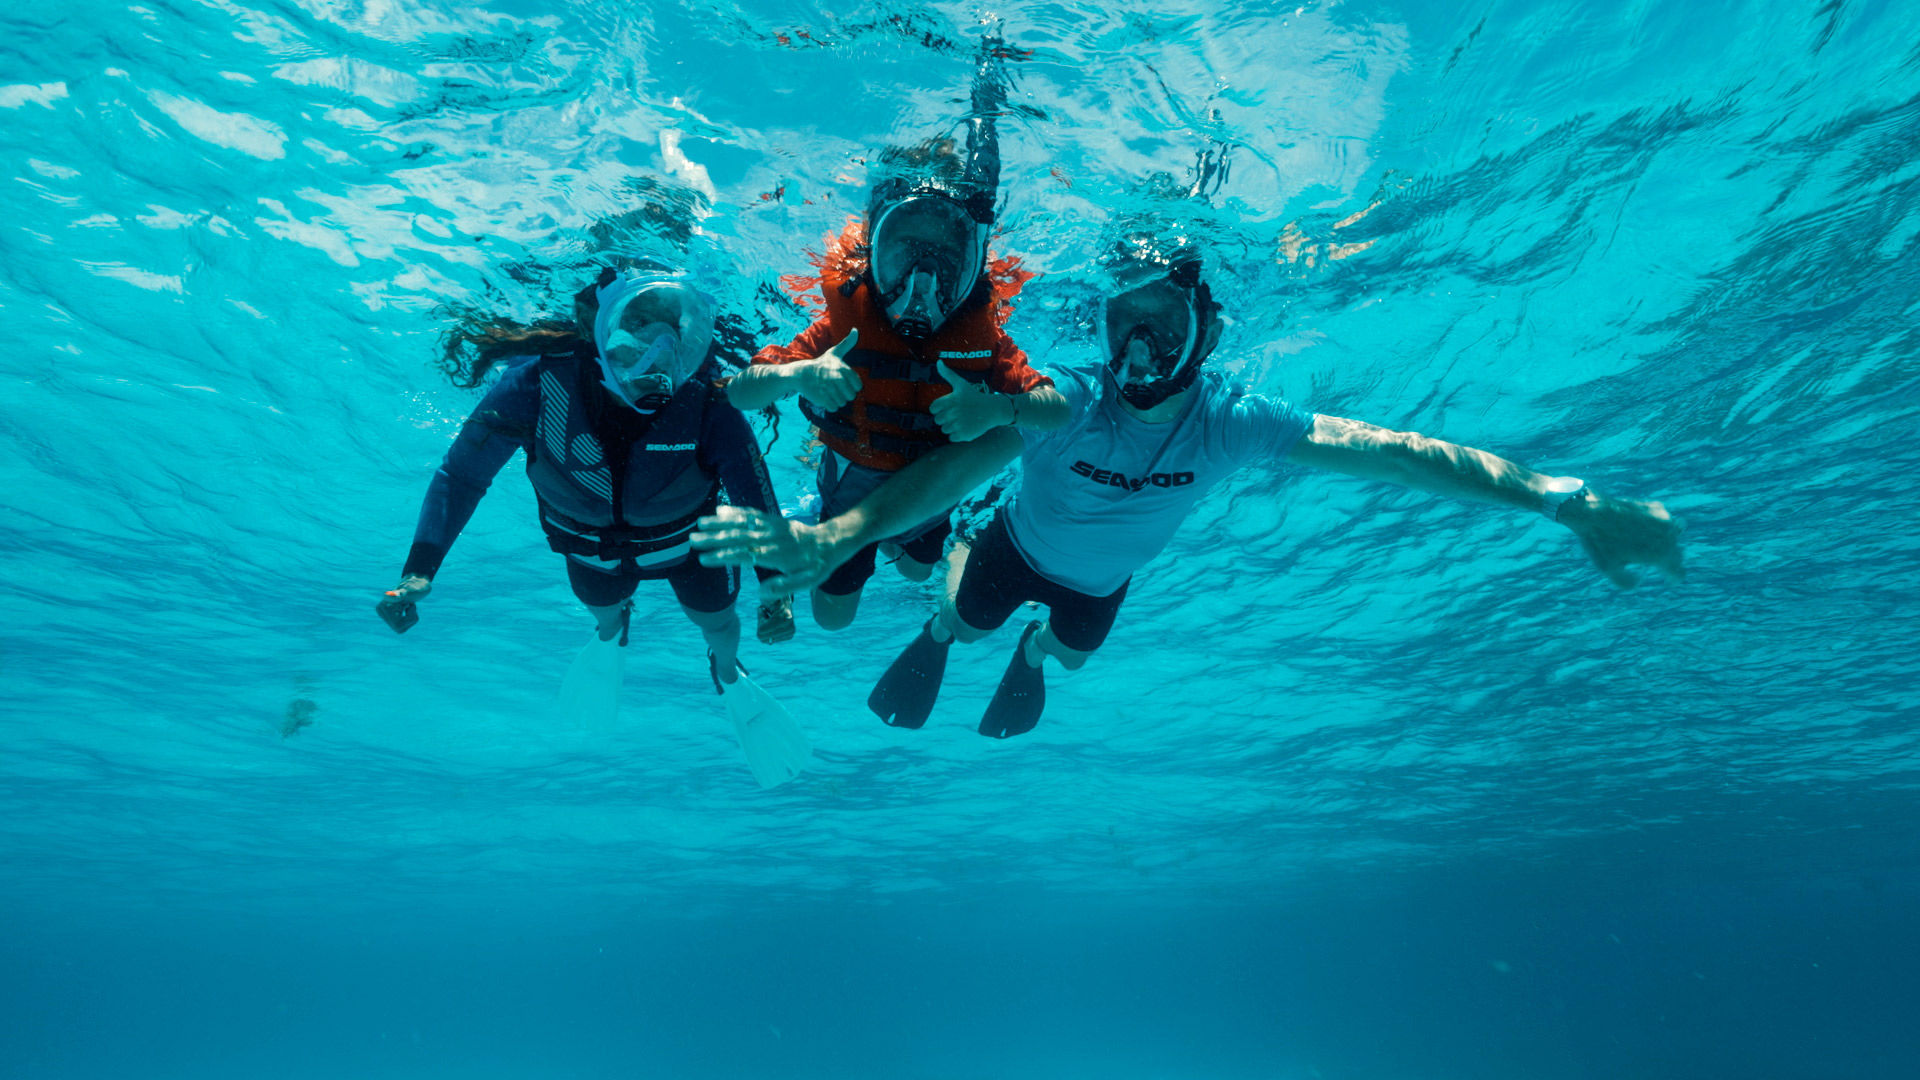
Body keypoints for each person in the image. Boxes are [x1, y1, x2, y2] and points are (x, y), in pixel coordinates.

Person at [702, 234, 1687, 738]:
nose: (1137, 350)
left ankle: (1036, 655)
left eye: (1160, 326)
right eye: (1120, 324)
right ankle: (947, 621)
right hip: (1018, 545)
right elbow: (955, 471)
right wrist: (837, 542)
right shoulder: (1070, 401)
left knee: (1068, 656)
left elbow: (1399, 453)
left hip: (1096, 588)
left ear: (1203, 333)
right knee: (960, 621)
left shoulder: (1235, 421)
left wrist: (1564, 500)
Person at [374, 264, 811, 787]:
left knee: (719, 627)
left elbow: (756, 501)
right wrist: (419, 571)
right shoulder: (536, 386)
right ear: (597, 326)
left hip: (691, 548)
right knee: (604, 616)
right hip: (592, 557)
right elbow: (461, 477)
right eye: (641, 321)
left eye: (673, 331)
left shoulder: (709, 405)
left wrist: (774, 592)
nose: (659, 346)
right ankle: (612, 633)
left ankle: (726, 670)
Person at [719, 34, 1069, 631]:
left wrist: (996, 409)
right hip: (848, 492)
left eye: (943, 266)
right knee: (833, 619)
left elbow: (1056, 411)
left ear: (969, 271)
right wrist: (801, 373)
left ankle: (853, 539)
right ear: (874, 257)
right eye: (904, 260)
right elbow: (738, 393)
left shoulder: (979, 333)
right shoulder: (842, 325)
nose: (921, 289)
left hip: (928, 507)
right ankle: (809, 527)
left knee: (912, 571)